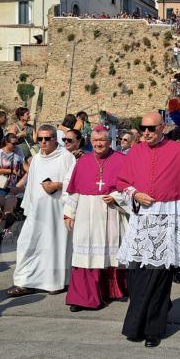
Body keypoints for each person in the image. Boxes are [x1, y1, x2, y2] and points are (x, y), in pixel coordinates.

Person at [116, 112, 180, 347]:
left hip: (168, 215)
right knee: (136, 274)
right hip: (141, 217)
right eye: (142, 128)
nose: (146, 133)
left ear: (163, 127)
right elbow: (123, 183)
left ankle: (153, 329)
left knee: (160, 274)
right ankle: (136, 324)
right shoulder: (136, 151)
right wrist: (135, 194)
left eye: (151, 128)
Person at [63, 127, 128, 311]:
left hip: (111, 214)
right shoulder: (82, 161)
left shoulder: (122, 160)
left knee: (109, 253)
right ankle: (82, 297)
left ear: (110, 141)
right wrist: (69, 212)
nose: (99, 144)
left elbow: (130, 189)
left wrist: (117, 197)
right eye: (96, 140)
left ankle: (111, 290)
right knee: (85, 254)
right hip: (85, 213)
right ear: (91, 141)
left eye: (103, 140)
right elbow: (75, 190)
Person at [7, 125, 77, 297]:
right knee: (27, 244)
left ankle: (54, 282)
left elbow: (75, 183)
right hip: (36, 212)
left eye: (47, 138)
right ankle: (23, 282)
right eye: (40, 139)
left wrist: (58, 185)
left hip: (57, 211)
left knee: (54, 246)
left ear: (55, 139)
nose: (43, 142)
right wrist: (28, 206)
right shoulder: (37, 158)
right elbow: (31, 184)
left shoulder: (66, 157)